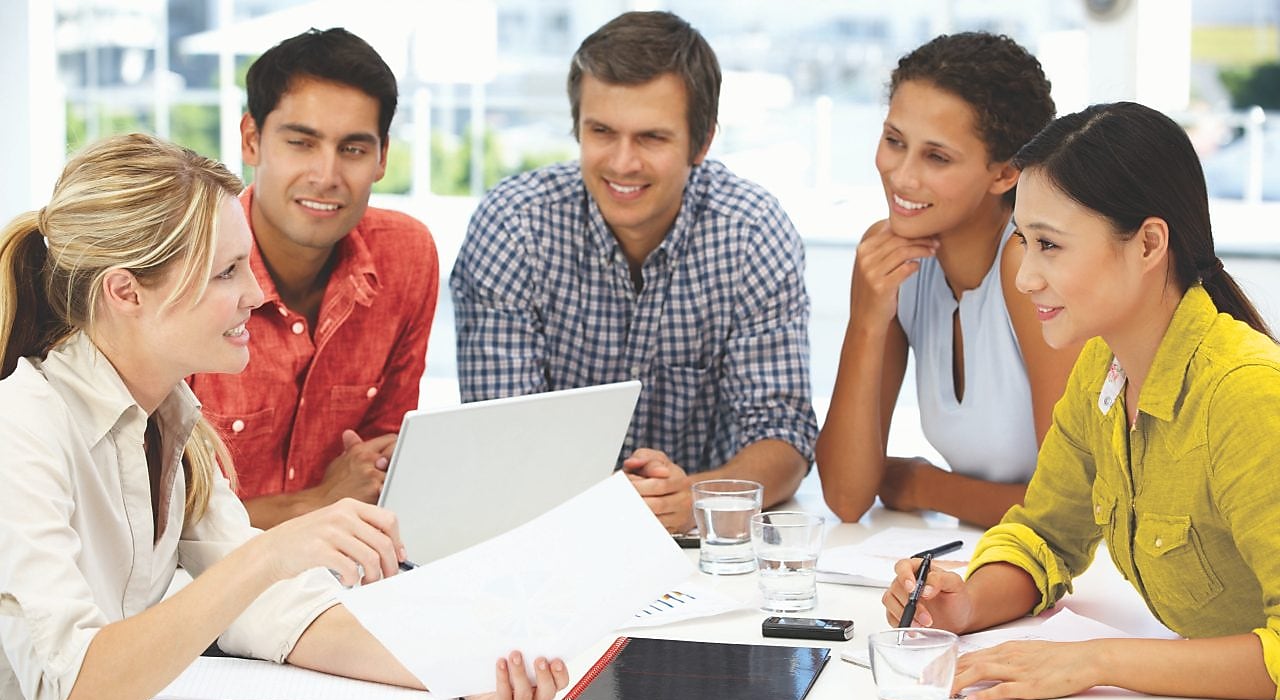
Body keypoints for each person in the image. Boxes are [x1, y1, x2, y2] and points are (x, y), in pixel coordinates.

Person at [0, 134, 565, 700]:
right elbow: (68, 691)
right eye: (226, 272)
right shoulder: (21, 428)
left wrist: (464, 670)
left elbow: (280, 612)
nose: (254, 293)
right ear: (125, 291)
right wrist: (270, 554)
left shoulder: (172, 423)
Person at [882, 102, 1280, 700]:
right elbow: (1042, 534)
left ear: (1149, 244)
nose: (1024, 277)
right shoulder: (1104, 366)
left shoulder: (1246, 394)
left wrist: (1096, 661)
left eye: (1050, 245)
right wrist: (962, 604)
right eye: (1022, 240)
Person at [450, 11, 817, 533]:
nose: (622, 163)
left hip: (698, 541)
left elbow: (784, 435)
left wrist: (697, 498)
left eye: (651, 138)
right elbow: (502, 436)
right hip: (545, 533)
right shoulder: (515, 226)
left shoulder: (752, 231)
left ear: (702, 142)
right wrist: (613, 510)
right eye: (601, 131)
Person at [815, 32, 1081, 528]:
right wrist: (866, 321)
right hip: (992, 558)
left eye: (936, 157)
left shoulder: (1029, 266)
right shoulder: (893, 259)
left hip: (1095, 575)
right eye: (894, 141)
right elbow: (848, 497)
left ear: (1005, 174)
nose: (902, 177)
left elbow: (1070, 507)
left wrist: (922, 485)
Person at [188, 28, 438, 529]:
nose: (326, 175)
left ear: (382, 157)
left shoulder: (406, 257)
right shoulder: (186, 270)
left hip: (347, 566)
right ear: (251, 139)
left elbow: (385, 468)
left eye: (352, 149)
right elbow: (158, 524)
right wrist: (317, 501)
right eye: (302, 142)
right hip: (200, 586)